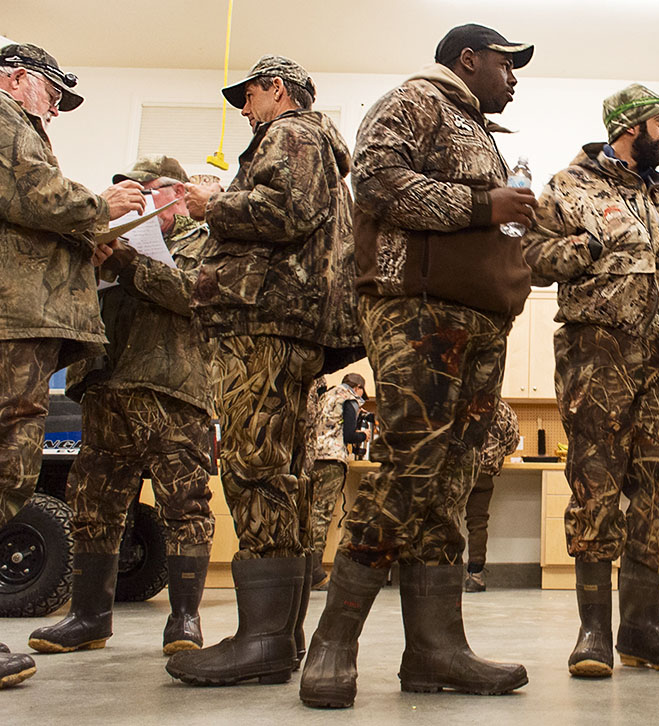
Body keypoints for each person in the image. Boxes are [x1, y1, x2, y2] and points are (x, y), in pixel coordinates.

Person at [299, 24, 536, 709]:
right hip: (415, 306)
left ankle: (437, 649)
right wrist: (479, 204)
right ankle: (334, 638)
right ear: (469, 59)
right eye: (506, 63)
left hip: (479, 315)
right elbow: (372, 182)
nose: (514, 77)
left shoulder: (483, 133)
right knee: (417, 465)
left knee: (454, 478)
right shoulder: (415, 100)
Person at [165, 55, 362, 687]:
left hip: (265, 320)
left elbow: (287, 211)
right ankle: (277, 633)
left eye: (246, 97)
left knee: (256, 466)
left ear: (276, 89)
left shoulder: (292, 132)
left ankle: (265, 639)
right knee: (281, 470)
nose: (244, 110)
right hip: (285, 322)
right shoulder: (316, 141)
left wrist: (213, 203)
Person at [522, 83, 659, 678]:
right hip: (597, 349)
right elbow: (530, 256)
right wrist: (584, 249)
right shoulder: (569, 185)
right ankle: (593, 631)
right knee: (596, 481)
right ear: (629, 126)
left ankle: (642, 629)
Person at [27, 155, 219, 658]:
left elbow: (194, 296)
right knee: (93, 506)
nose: (137, 197)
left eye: (147, 189)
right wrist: (84, 264)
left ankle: (184, 619)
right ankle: (89, 617)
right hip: (105, 387)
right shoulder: (103, 242)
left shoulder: (205, 239)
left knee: (186, 506)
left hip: (174, 391)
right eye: (129, 189)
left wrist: (124, 263)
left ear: (175, 195)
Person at [0, 42, 147, 689]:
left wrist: (84, 248)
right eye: (52, 94)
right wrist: (101, 206)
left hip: (24, 323)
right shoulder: (5, 117)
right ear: (15, 78)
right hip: (12, 324)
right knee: (7, 461)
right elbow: (35, 196)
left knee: (11, 462)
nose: (55, 110)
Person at [306, 372, 368, 589]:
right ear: (358, 388)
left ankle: (304, 569)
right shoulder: (349, 399)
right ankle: (314, 572)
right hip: (332, 461)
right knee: (321, 515)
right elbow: (349, 435)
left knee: (308, 514)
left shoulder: (325, 396)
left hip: (312, 458)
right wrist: (364, 436)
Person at [463, 399, 520, 593]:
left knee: (444, 519)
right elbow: (512, 443)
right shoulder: (503, 410)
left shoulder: (460, 401)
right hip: (484, 472)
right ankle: (475, 575)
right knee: (477, 522)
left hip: (457, 469)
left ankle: (442, 571)